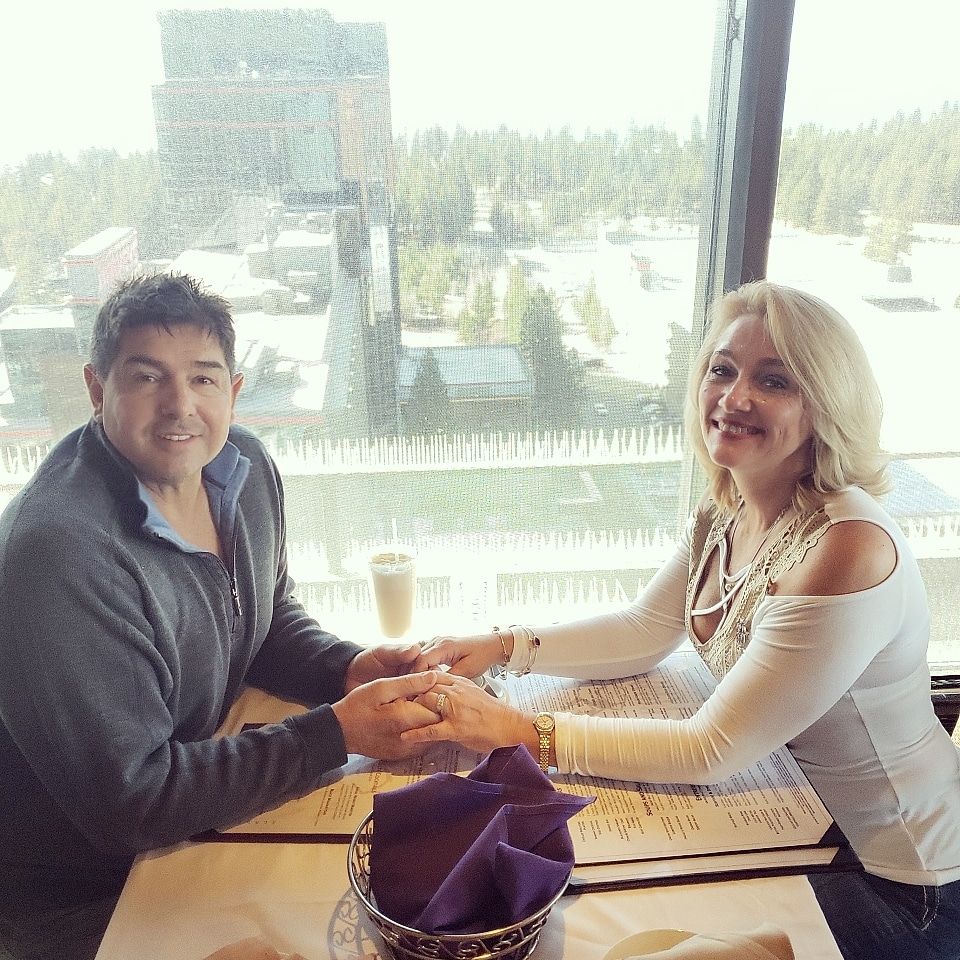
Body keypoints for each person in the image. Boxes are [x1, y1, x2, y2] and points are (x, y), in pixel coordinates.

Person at [408, 280, 960, 960]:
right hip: (787, 817)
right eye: (722, 370)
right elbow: (645, 629)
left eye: (775, 381)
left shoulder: (846, 548)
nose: (734, 397)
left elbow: (711, 750)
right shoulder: (729, 504)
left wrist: (520, 731)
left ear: (825, 406)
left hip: (898, 877)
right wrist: (501, 646)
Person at [0, 273, 442, 960]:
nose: (179, 405)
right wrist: (336, 733)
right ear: (96, 388)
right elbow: (133, 802)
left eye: (203, 379)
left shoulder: (243, 466)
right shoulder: (60, 553)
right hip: (86, 892)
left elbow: (262, 619)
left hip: (192, 812)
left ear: (233, 391)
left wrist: (346, 668)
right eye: (147, 377)